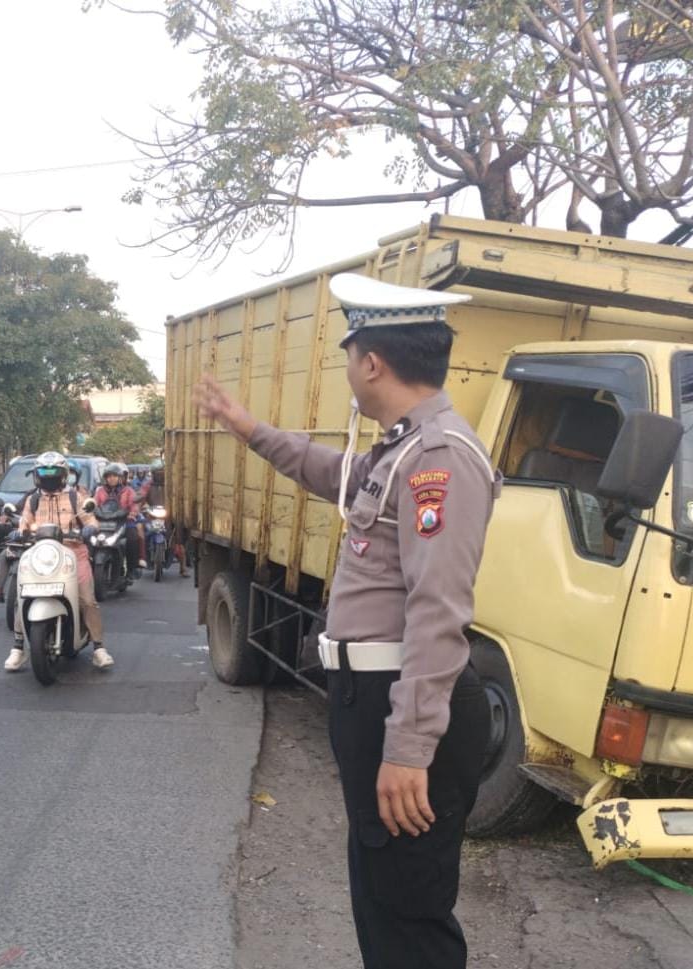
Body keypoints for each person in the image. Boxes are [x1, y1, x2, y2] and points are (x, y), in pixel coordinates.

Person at [194, 273, 498, 969]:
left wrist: (409, 747)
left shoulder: (440, 460)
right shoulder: (403, 449)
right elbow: (331, 470)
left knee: (408, 918)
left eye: (347, 353)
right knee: (383, 904)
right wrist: (248, 428)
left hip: (404, 700)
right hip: (374, 696)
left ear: (372, 361)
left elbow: (437, 610)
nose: (348, 369)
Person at [5, 452, 113, 671]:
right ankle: (18, 647)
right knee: (22, 595)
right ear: (37, 476)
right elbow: (24, 523)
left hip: (73, 554)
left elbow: (89, 519)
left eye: (53, 473)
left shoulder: (75, 497)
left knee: (87, 599)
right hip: (41, 555)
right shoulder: (33, 500)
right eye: (44, 473)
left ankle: (99, 648)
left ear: (63, 475)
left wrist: (90, 528)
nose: (49, 477)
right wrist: (20, 533)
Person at [94, 462, 147, 572]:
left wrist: (132, 512)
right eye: (109, 476)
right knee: (90, 536)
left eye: (114, 476)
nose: (111, 479)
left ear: (119, 477)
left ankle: (132, 567)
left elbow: (134, 504)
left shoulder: (128, 490)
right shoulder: (100, 491)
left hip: (123, 521)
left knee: (133, 536)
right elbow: (95, 504)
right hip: (104, 522)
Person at [145, 457, 188, 578]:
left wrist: (178, 509)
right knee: (140, 533)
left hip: (169, 517)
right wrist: (139, 506)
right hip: (152, 516)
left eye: (162, 472)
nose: (160, 475)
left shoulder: (172, 486)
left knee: (178, 539)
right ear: (153, 474)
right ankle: (141, 559)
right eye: (157, 473)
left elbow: (180, 499)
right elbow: (140, 497)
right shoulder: (148, 486)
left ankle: (183, 568)